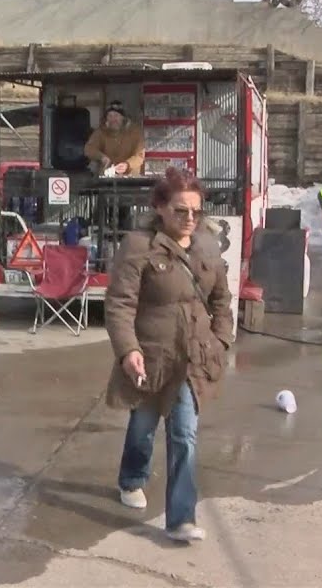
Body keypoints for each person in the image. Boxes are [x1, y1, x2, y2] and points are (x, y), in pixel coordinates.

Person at [104, 167, 233, 544]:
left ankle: (181, 519)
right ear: (160, 207)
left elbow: (222, 300)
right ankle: (132, 477)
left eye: (196, 211)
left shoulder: (208, 246)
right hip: (152, 357)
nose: (190, 218)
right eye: (180, 210)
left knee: (185, 435)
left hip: (192, 360)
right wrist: (128, 350)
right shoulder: (138, 246)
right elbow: (120, 304)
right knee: (143, 427)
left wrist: (221, 341)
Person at [85, 101, 146, 175]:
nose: (113, 119)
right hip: (107, 175)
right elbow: (89, 149)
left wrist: (127, 164)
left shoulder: (135, 132)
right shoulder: (101, 131)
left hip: (130, 177)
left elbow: (139, 155)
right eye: (110, 116)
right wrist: (101, 157)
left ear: (123, 118)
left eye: (116, 115)